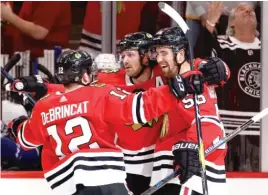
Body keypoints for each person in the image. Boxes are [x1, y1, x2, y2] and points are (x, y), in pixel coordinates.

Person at [8, 49, 204, 195]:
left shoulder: (43, 106)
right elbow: (140, 107)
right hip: (109, 182)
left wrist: (17, 124)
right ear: (85, 75)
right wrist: (176, 89)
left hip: (68, 188)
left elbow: (25, 140)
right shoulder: (101, 93)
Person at [97, 31, 230, 195]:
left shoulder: (177, 77)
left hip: (175, 163)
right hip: (137, 163)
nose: (125, 61)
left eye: (130, 55)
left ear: (145, 57)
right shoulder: (109, 80)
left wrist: (218, 67)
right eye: (123, 55)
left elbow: (206, 119)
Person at [148, 26, 228, 195]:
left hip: (188, 171)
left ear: (181, 54)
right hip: (171, 168)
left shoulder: (195, 80)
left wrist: (191, 147)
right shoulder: (169, 77)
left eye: (164, 53)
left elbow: (207, 121)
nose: (159, 59)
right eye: (157, 53)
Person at [203, 2, 261, 171]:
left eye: (251, 10)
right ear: (232, 22)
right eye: (242, 10)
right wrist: (210, 24)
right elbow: (203, 60)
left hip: (260, 131)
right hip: (228, 130)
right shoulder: (222, 44)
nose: (249, 11)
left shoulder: (264, 49)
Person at [0, 1, 71, 59]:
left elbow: (39, 32)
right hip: (27, 59)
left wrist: (9, 16)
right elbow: (21, 24)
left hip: (46, 64)